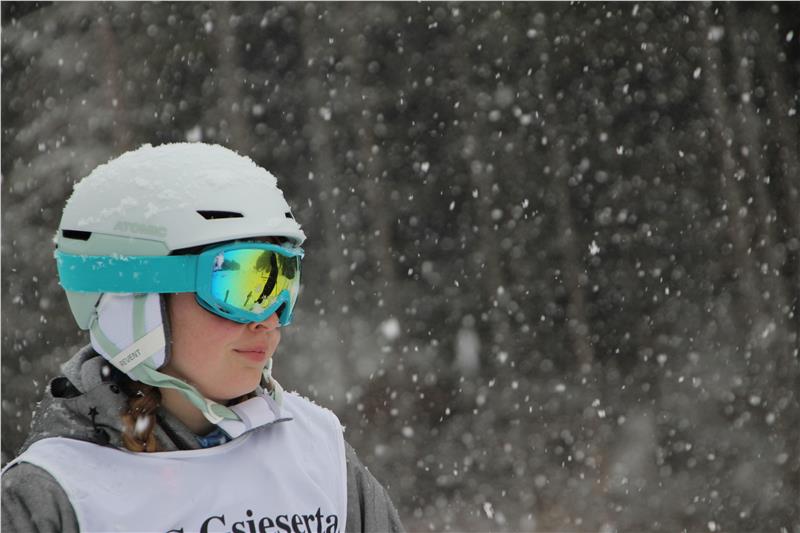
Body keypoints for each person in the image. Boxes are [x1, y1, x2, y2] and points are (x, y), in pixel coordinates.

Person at [1, 143, 404, 533]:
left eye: (283, 281)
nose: (269, 319)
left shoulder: (319, 456)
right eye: (240, 286)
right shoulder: (56, 496)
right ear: (134, 303)